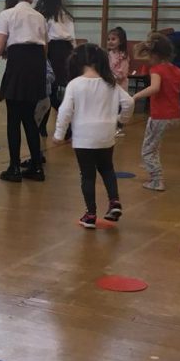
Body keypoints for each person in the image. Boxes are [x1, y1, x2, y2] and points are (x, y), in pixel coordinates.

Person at [54, 44, 134, 228]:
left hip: (83, 138)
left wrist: (59, 134)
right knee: (107, 169)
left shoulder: (75, 84)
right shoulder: (110, 84)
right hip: (106, 135)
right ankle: (114, 201)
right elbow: (129, 102)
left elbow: (65, 111)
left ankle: (90, 215)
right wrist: (121, 120)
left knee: (87, 175)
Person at [0, 0, 48, 183]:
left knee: (14, 119)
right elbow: (45, 48)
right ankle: (37, 167)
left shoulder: (7, 14)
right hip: (37, 65)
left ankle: (14, 167)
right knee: (29, 119)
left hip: (18, 64)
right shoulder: (40, 16)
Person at [132, 32, 180, 192]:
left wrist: (136, 96)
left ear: (154, 55)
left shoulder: (157, 70)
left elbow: (155, 88)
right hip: (175, 116)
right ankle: (151, 165)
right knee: (154, 144)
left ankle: (156, 180)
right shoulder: (178, 70)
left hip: (161, 116)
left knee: (147, 150)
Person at [107, 26, 131, 137]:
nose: (110, 42)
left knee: (119, 106)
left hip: (120, 85)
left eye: (113, 39)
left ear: (120, 41)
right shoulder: (108, 54)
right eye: (108, 39)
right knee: (111, 106)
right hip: (110, 84)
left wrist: (113, 76)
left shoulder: (123, 56)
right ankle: (110, 126)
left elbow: (122, 74)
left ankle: (118, 127)